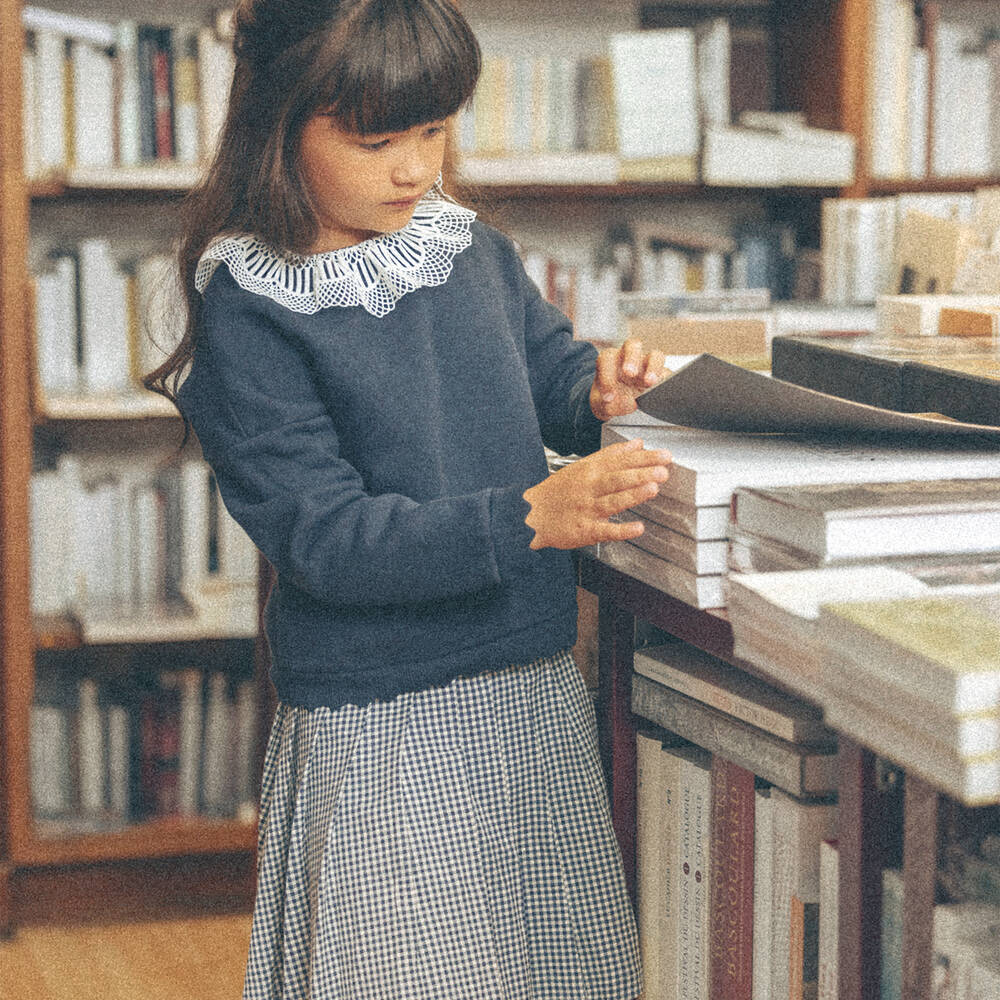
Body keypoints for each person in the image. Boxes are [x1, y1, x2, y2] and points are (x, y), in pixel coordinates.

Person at [145, 1, 673, 997]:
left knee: (550, 973)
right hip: (381, 713)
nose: (413, 168)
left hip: (526, 680)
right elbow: (326, 538)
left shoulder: (465, 250)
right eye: (376, 139)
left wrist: (601, 390)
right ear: (277, 124)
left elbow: (549, 371)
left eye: (434, 131)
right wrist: (529, 518)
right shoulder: (251, 306)